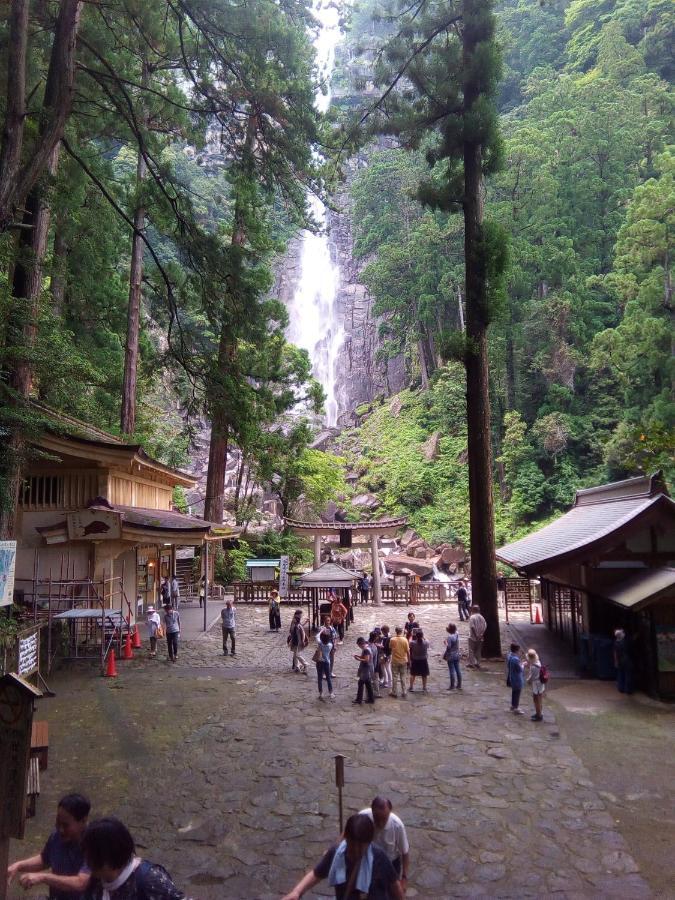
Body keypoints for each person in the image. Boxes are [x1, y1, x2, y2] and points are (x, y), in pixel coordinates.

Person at [281, 813, 402, 900]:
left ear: (369, 842)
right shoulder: (336, 853)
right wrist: (296, 892)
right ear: (346, 839)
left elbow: (394, 885)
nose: (356, 850)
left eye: (361, 846)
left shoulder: (379, 857)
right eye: (352, 845)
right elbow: (317, 873)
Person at [7, 794, 91, 900]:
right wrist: (18, 866)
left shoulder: (95, 844)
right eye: (57, 823)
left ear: (83, 821)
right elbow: (44, 859)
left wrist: (43, 877)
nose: (60, 829)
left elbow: (81, 883)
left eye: (66, 825)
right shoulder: (57, 836)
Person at [81, 817, 185, 899]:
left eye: (90, 855)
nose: (86, 860)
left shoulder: (149, 880)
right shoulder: (97, 881)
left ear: (106, 856)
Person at [359, 797, 410, 886]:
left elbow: (405, 852)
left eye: (384, 819)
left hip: (390, 864)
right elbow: (348, 832)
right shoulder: (363, 817)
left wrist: (404, 878)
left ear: (390, 812)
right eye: (377, 819)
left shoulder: (397, 826)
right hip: (368, 861)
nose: (380, 823)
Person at [389, 626, 410, 699]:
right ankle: (404, 691)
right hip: (403, 660)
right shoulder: (405, 640)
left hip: (395, 660)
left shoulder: (392, 639)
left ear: (396, 631)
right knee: (403, 676)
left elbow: (390, 648)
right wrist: (409, 661)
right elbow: (407, 651)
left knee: (394, 677)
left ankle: (394, 692)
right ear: (401, 632)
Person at [353, 637, 375, 704]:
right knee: (368, 684)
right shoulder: (368, 647)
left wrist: (358, 659)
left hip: (366, 669)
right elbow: (365, 657)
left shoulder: (366, 650)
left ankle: (359, 699)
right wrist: (359, 656)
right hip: (368, 669)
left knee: (361, 683)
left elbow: (366, 659)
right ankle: (371, 699)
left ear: (360, 644)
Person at [525, 648, 545, 721]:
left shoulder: (533, 667)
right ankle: (539, 713)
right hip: (540, 683)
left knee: (536, 700)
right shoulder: (538, 662)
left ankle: (538, 715)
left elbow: (532, 677)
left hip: (536, 684)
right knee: (540, 698)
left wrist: (527, 681)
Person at [315, 630, 335, 701]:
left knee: (319, 678)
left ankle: (321, 693)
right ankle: (331, 693)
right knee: (328, 678)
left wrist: (321, 631)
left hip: (319, 662)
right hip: (327, 663)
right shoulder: (330, 645)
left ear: (321, 638)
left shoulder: (320, 643)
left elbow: (317, 636)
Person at [408, 629, 430, 693]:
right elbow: (427, 641)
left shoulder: (413, 643)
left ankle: (411, 687)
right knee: (424, 674)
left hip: (415, 660)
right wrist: (423, 637)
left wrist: (411, 635)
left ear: (416, 636)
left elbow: (409, 642)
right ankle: (424, 687)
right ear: (422, 635)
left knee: (413, 674)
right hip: (423, 660)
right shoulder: (426, 642)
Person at [613, 628, 634, 694]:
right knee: (628, 675)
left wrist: (616, 661)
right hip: (627, 660)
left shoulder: (616, 642)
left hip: (620, 660)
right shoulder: (625, 642)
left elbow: (615, 653)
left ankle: (621, 688)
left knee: (620, 674)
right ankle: (628, 690)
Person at [506, 642, 524, 714]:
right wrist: (523, 664)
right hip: (517, 679)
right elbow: (520, 669)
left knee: (514, 692)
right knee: (517, 693)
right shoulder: (516, 659)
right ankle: (516, 707)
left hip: (511, 677)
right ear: (517, 650)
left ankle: (513, 706)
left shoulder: (509, 656)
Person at [288, 609, 309, 674]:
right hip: (295, 640)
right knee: (295, 654)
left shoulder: (297, 624)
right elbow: (292, 631)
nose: (301, 616)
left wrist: (302, 640)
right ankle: (297, 666)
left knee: (297, 654)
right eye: (300, 614)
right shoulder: (294, 622)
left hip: (298, 641)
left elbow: (302, 631)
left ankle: (305, 664)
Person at [467, 604, 487, 669]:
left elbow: (472, 627)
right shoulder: (482, 617)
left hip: (473, 636)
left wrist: (476, 635)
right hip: (480, 637)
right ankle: (478, 663)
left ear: (473, 610)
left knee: (471, 650)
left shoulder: (472, 617)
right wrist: (481, 634)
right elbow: (485, 626)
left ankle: (471, 663)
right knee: (478, 650)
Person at [444, 623, 462, 690]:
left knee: (452, 670)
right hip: (457, 654)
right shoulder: (457, 634)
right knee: (458, 669)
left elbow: (449, 647)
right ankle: (459, 684)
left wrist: (445, 643)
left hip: (451, 655)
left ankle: (452, 685)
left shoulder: (450, 637)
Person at [368, 631, 382, 698]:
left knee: (369, 680)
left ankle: (369, 693)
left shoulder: (367, 645)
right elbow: (375, 659)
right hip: (373, 665)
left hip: (368, 666)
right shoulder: (374, 647)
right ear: (375, 638)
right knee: (375, 679)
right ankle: (376, 693)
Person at [380, 625, 393, 692]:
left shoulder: (388, 638)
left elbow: (386, 647)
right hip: (384, 654)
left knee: (388, 668)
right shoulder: (386, 636)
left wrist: (380, 646)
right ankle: (386, 680)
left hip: (387, 655)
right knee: (383, 667)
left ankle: (389, 682)